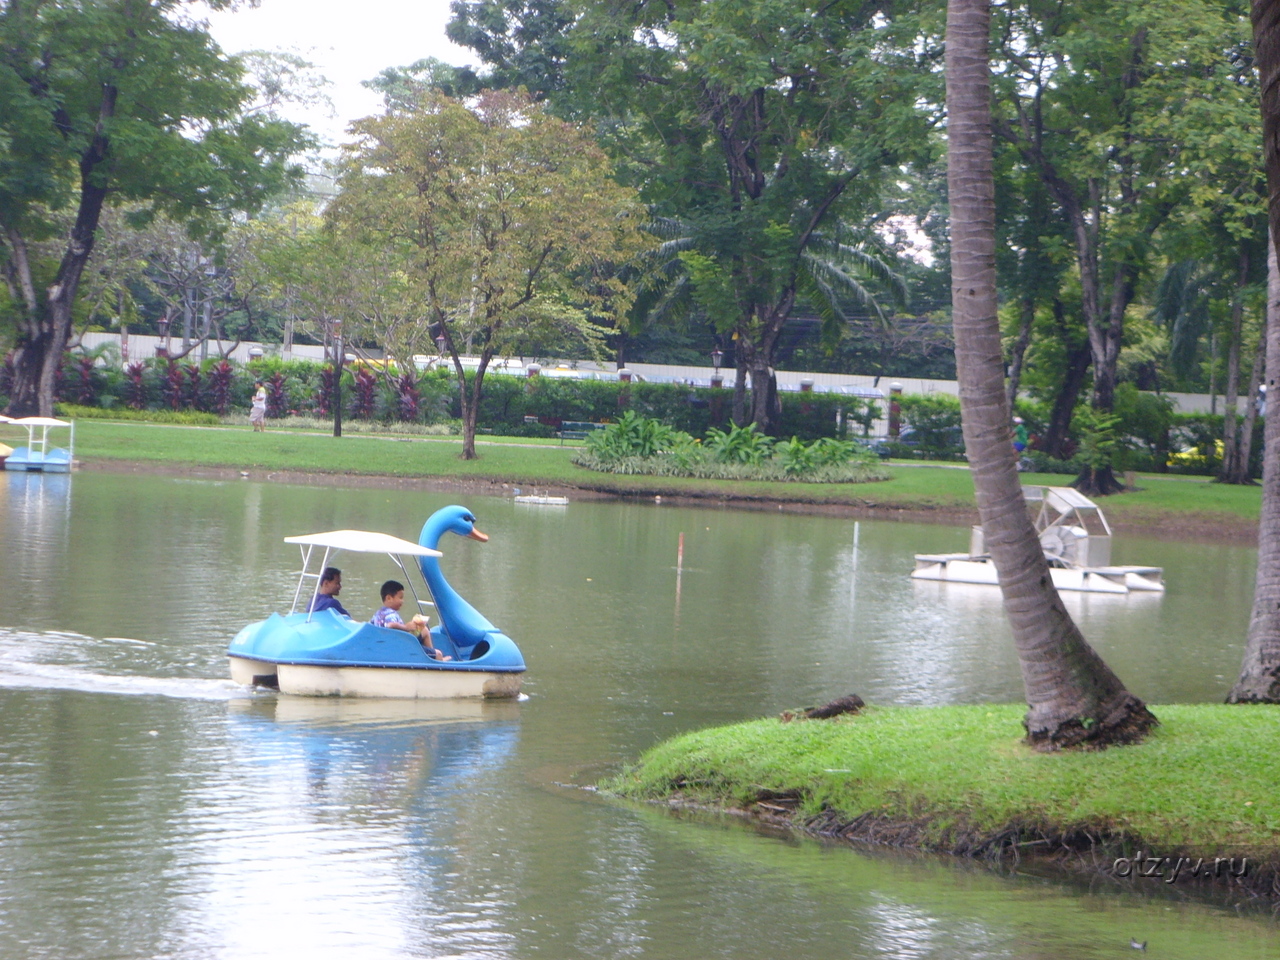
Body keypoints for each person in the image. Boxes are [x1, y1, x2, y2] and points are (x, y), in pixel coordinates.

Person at [371, 579, 451, 661]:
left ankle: (429, 656)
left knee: (424, 629)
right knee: (438, 654)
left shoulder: (378, 614)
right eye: (400, 598)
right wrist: (406, 627)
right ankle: (435, 659)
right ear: (389, 598)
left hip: (394, 643)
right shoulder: (391, 614)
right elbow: (390, 625)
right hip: (401, 647)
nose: (402, 601)